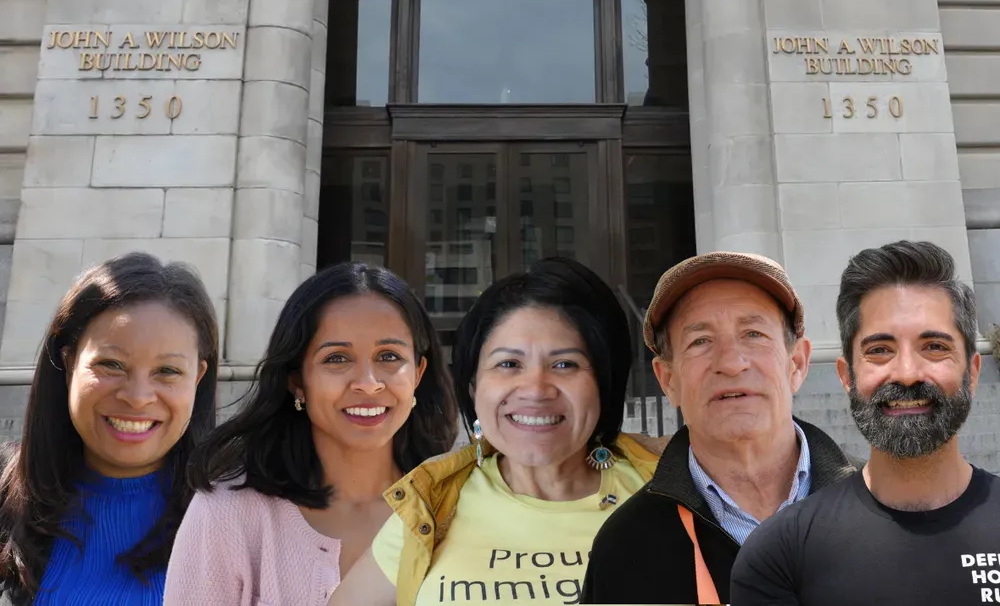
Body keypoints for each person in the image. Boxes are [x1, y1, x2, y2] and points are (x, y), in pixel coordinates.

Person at [327, 257, 666, 606]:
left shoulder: (669, 494)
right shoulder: (430, 508)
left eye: (565, 364)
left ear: (602, 384)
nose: (535, 389)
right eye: (509, 364)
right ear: (474, 386)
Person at [162, 262, 458, 606]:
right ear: (297, 380)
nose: (368, 383)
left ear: (418, 374)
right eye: (337, 358)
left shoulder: (462, 508)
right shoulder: (228, 512)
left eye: (389, 356)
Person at [581, 251, 864, 605]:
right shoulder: (627, 545)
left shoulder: (883, 508)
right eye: (700, 341)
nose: (731, 363)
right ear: (668, 380)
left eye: (754, 333)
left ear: (797, 363)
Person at [731, 240, 998, 606]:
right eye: (879, 350)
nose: (906, 374)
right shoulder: (779, 555)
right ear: (847, 376)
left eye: (935, 347)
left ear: (971, 372)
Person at [0, 252, 219, 606]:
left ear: (198, 377)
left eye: (168, 371)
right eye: (111, 364)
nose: (137, 398)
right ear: (69, 362)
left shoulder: (243, 512)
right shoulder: (7, 491)